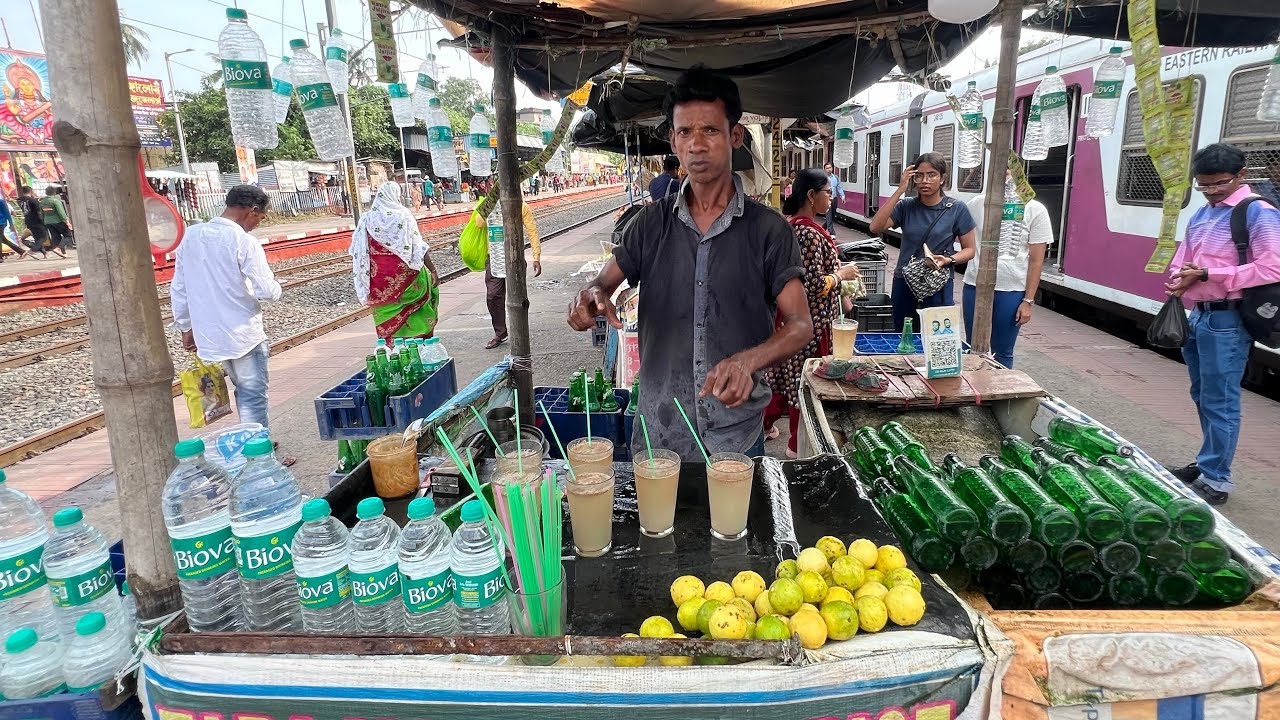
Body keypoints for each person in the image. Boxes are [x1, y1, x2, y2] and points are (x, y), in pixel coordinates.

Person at [567, 65, 813, 462]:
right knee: (658, 525)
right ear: (673, 140)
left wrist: (747, 360)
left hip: (735, 435)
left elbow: (801, 326)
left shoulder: (769, 230)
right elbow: (602, 284)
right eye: (685, 132)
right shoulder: (649, 223)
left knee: (734, 525)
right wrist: (591, 296)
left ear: (735, 136)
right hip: (659, 431)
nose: (696, 144)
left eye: (710, 130)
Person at [1163, 143, 1280, 506]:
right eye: (1204, 185)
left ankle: (1218, 478)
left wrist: (1211, 273)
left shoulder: (1258, 213)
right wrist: (1179, 278)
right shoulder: (1203, 213)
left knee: (1221, 400)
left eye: (1219, 184)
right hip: (1200, 314)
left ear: (1242, 175)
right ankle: (1207, 462)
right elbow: (1185, 257)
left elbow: (1272, 267)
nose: (1212, 191)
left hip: (1228, 319)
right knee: (1202, 395)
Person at [171, 185, 285, 450]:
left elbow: (179, 286)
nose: (259, 223)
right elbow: (266, 290)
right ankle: (257, 451)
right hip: (243, 332)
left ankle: (251, 442)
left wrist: (186, 326)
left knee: (239, 388)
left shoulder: (192, 236)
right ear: (252, 211)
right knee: (251, 394)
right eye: (261, 217)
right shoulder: (243, 241)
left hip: (209, 334)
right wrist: (278, 288)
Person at [765, 168, 859, 456]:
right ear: (811, 195)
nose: (831, 198)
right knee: (802, 382)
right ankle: (796, 447)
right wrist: (842, 275)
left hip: (801, 321)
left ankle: (765, 426)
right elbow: (812, 285)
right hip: (811, 323)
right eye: (828, 192)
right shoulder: (807, 233)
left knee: (786, 376)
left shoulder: (800, 228)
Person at [869, 152, 977, 332]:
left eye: (931, 175)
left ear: (942, 179)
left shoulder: (956, 209)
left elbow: (970, 250)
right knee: (904, 336)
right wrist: (900, 190)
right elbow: (876, 227)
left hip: (938, 285)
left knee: (937, 338)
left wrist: (947, 260)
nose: (925, 180)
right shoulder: (906, 206)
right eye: (919, 176)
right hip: (905, 282)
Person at [961, 177, 1054, 368]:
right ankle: (976, 393)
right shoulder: (976, 204)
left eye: (1009, 174)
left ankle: (999, 393)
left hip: (1011, 290)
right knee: (973, 347)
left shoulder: (1035, 209)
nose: (1004, 181)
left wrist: (1028, 300)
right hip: (974, 286)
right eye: (998, 173)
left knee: (1002, 351)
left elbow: (1036, 261)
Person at [350, 182, 442, 340]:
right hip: (409, 279)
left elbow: (357, 251)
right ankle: (419, 341)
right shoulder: (404, 215)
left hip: (379, 282)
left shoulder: (366, 219)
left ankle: (393, 346)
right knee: (425, 298)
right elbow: (417, 246)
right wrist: (432, 270)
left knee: (386, 310)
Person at [485, 200, 543, 348]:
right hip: (495, 258)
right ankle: (500, 332)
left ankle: (521, 330)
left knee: (518, 298)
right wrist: (488, 204)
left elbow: (532, 230)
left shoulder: (522, 206)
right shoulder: (489, 206)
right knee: (493, 296)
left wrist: (536, 257)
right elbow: (478, 223)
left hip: (515, 257)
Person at [18, 186, 49, 259]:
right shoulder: (33, 201)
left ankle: (45, 253)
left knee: (37, 238)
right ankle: (32, 250)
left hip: (28, 221)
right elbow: (39, 212)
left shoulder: (20, 201)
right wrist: (42, 221)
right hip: (36, 221)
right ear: (31, 191)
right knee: (43, 237)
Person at [0, 195, 26, 261]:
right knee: (3, 239)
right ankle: (21, 251)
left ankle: (0, 258)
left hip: (1, 222)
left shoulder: (1, 202)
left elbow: (7, 214)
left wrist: (11, 224)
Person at [823, 162, 844, 233]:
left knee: (833, 216)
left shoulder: (836, 177)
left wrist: (842, 196)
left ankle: (823, 228)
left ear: (832, 168)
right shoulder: (823, 178)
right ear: (824, 169)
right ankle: (832, 232)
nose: (829, 169)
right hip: (826, 199)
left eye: (830, 168)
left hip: (834, 199)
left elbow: (839, 187)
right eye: (827, 168)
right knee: (828, 215)